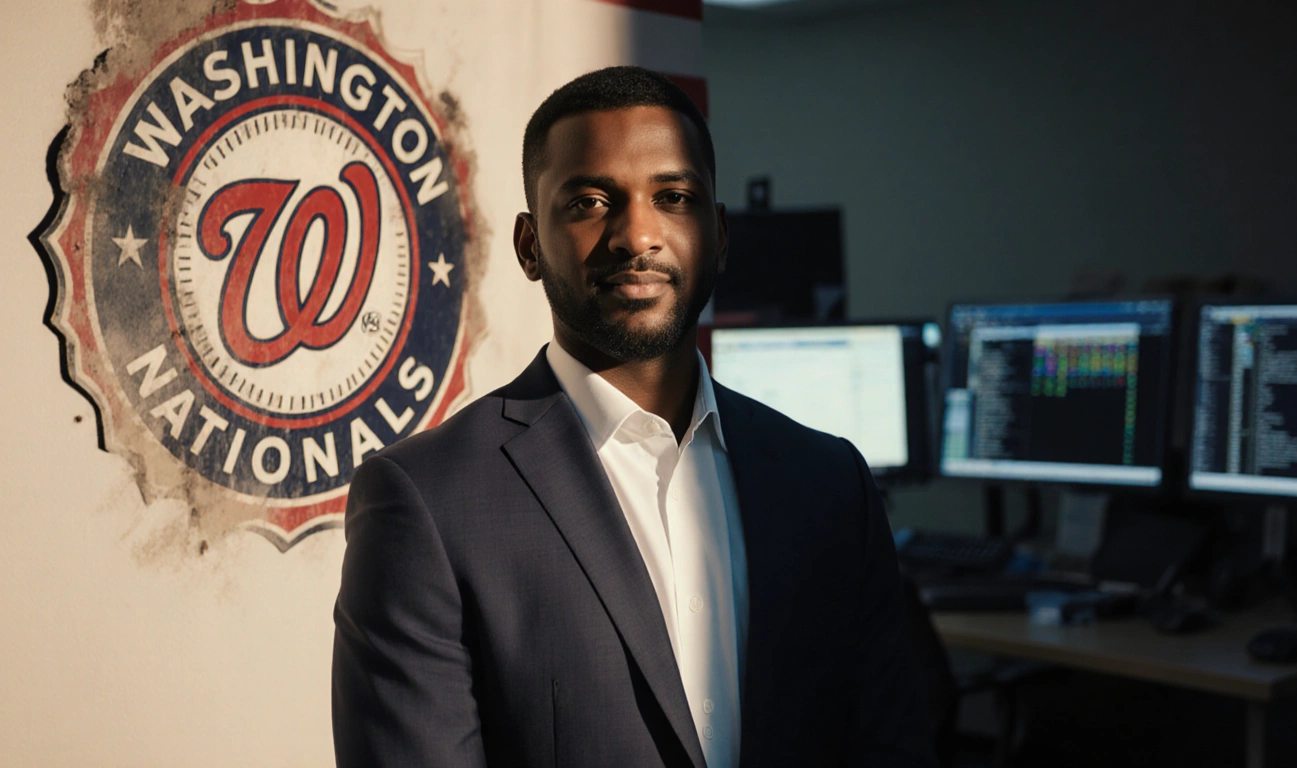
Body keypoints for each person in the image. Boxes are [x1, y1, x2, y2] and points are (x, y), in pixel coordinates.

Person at [332, 66, 934, 768]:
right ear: (529, 246)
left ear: (719, 234)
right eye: (590, 201)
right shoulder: (428, 501)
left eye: (673, 198)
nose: (637, 234)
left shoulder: (829, 483)